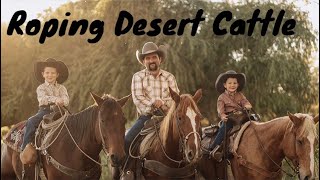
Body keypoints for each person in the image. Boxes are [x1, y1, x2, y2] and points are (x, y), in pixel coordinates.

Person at [125, 42, 180, 154]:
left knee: (188, 139)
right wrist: (153, 103)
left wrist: (162, 103)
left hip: (168, 117)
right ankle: (125, 170)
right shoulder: (138, 77)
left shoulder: (169, 77)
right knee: (127, 140)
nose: (151, 60)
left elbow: (176, 99)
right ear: (144, 61)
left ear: (160, 59)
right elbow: (138, 98)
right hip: (146, 118)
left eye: (154, 57)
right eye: (148, 58)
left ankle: (190, 169)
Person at [20, 58, 69, 164]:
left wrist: (63, 101)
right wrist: (55, 99)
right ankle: (26, 147)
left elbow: (66, 99)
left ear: (57, 74)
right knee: (31, 121)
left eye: (52, 73)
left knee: (74, 122)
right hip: (45, 112)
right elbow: (42, 99)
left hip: (61, 111)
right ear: (43, 74)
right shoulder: (40, 88)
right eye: (47, 72)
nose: (50, 75)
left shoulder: (62, 88)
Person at [209, 70, 252, 161]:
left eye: (234, 83)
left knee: (254, 120)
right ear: (225, 85)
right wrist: (223, 116)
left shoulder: (240, 95)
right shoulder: (221, 97)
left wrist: (247, 105)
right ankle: (214, 147)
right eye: (230, 83)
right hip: (230, 118)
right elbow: (220, 110)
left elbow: (245, 102)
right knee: (224, 129)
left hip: (241, 116)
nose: (232, 85)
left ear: (238, 84)